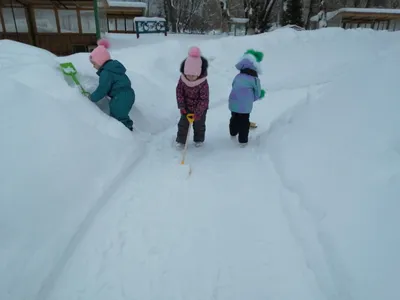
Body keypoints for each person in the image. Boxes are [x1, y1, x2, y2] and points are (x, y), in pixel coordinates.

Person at [88, 39, 135, 131]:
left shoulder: (106, 72)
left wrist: (92, 98)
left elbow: (102, 89)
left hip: (121, 96)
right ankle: (127, 130)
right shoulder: (113, 68)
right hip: (127, 94)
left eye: (94, 63)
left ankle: (125, 133)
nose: (93, 66)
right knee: (120, 115)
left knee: (118, 116)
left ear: (100, 60)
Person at [228, 49, 266, 145]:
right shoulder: (254, 79)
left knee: (234, 117)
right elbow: (257, 93)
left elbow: (233, 85)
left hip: (233, 102)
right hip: (245, 105)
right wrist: (253, 98)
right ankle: (243, 141)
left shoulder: (238, 76)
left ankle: (233, 132)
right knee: (244, 121)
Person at [176, 46, 209, 148]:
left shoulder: (203, 83)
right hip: (186, 108)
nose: (190, 77)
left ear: (199, 73)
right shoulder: (182, 80)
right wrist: (182, 106)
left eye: (193, 75)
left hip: (200, 110)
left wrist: (198, 112)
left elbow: (204, 99)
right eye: (188, 75)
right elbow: (179, 93)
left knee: (199, 125)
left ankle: (199, 140)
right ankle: (181, 141)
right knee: (183, 125)